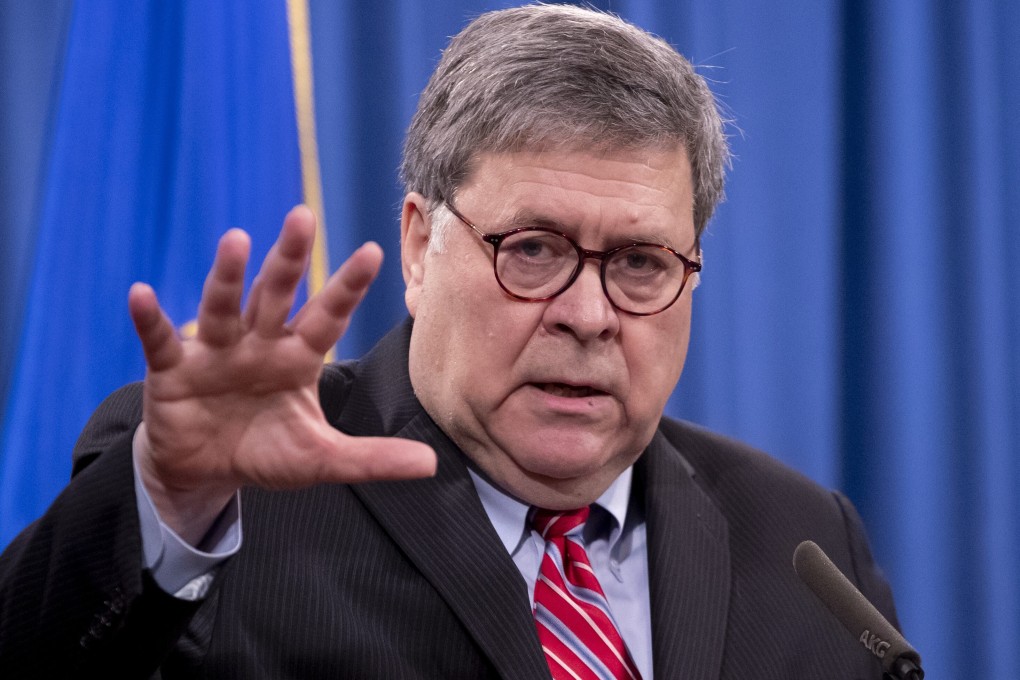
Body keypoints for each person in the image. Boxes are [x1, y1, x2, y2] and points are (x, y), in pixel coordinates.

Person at [0, 5, 901, 678]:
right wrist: (169, 497)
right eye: (535, 250)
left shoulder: (804, 541)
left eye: (638, 262)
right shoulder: (231, 495)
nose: (588, 315)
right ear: (420, 246)